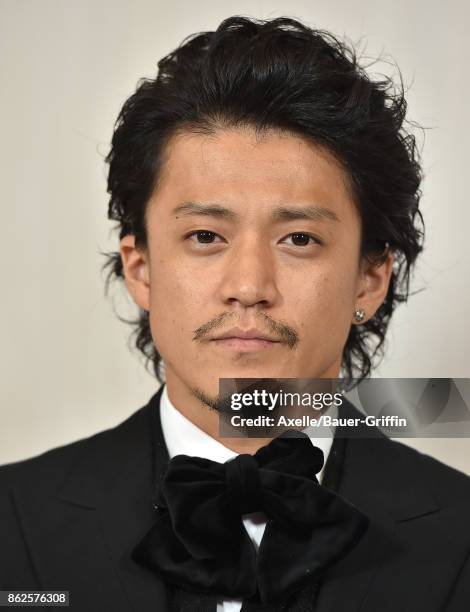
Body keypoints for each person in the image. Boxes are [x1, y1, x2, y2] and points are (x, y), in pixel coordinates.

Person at [1, 15, 469, 612]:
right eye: (204, 236)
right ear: (140, 269)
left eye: (299, 239)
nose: (249, 286)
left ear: (371, 279)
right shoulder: (11, 520)